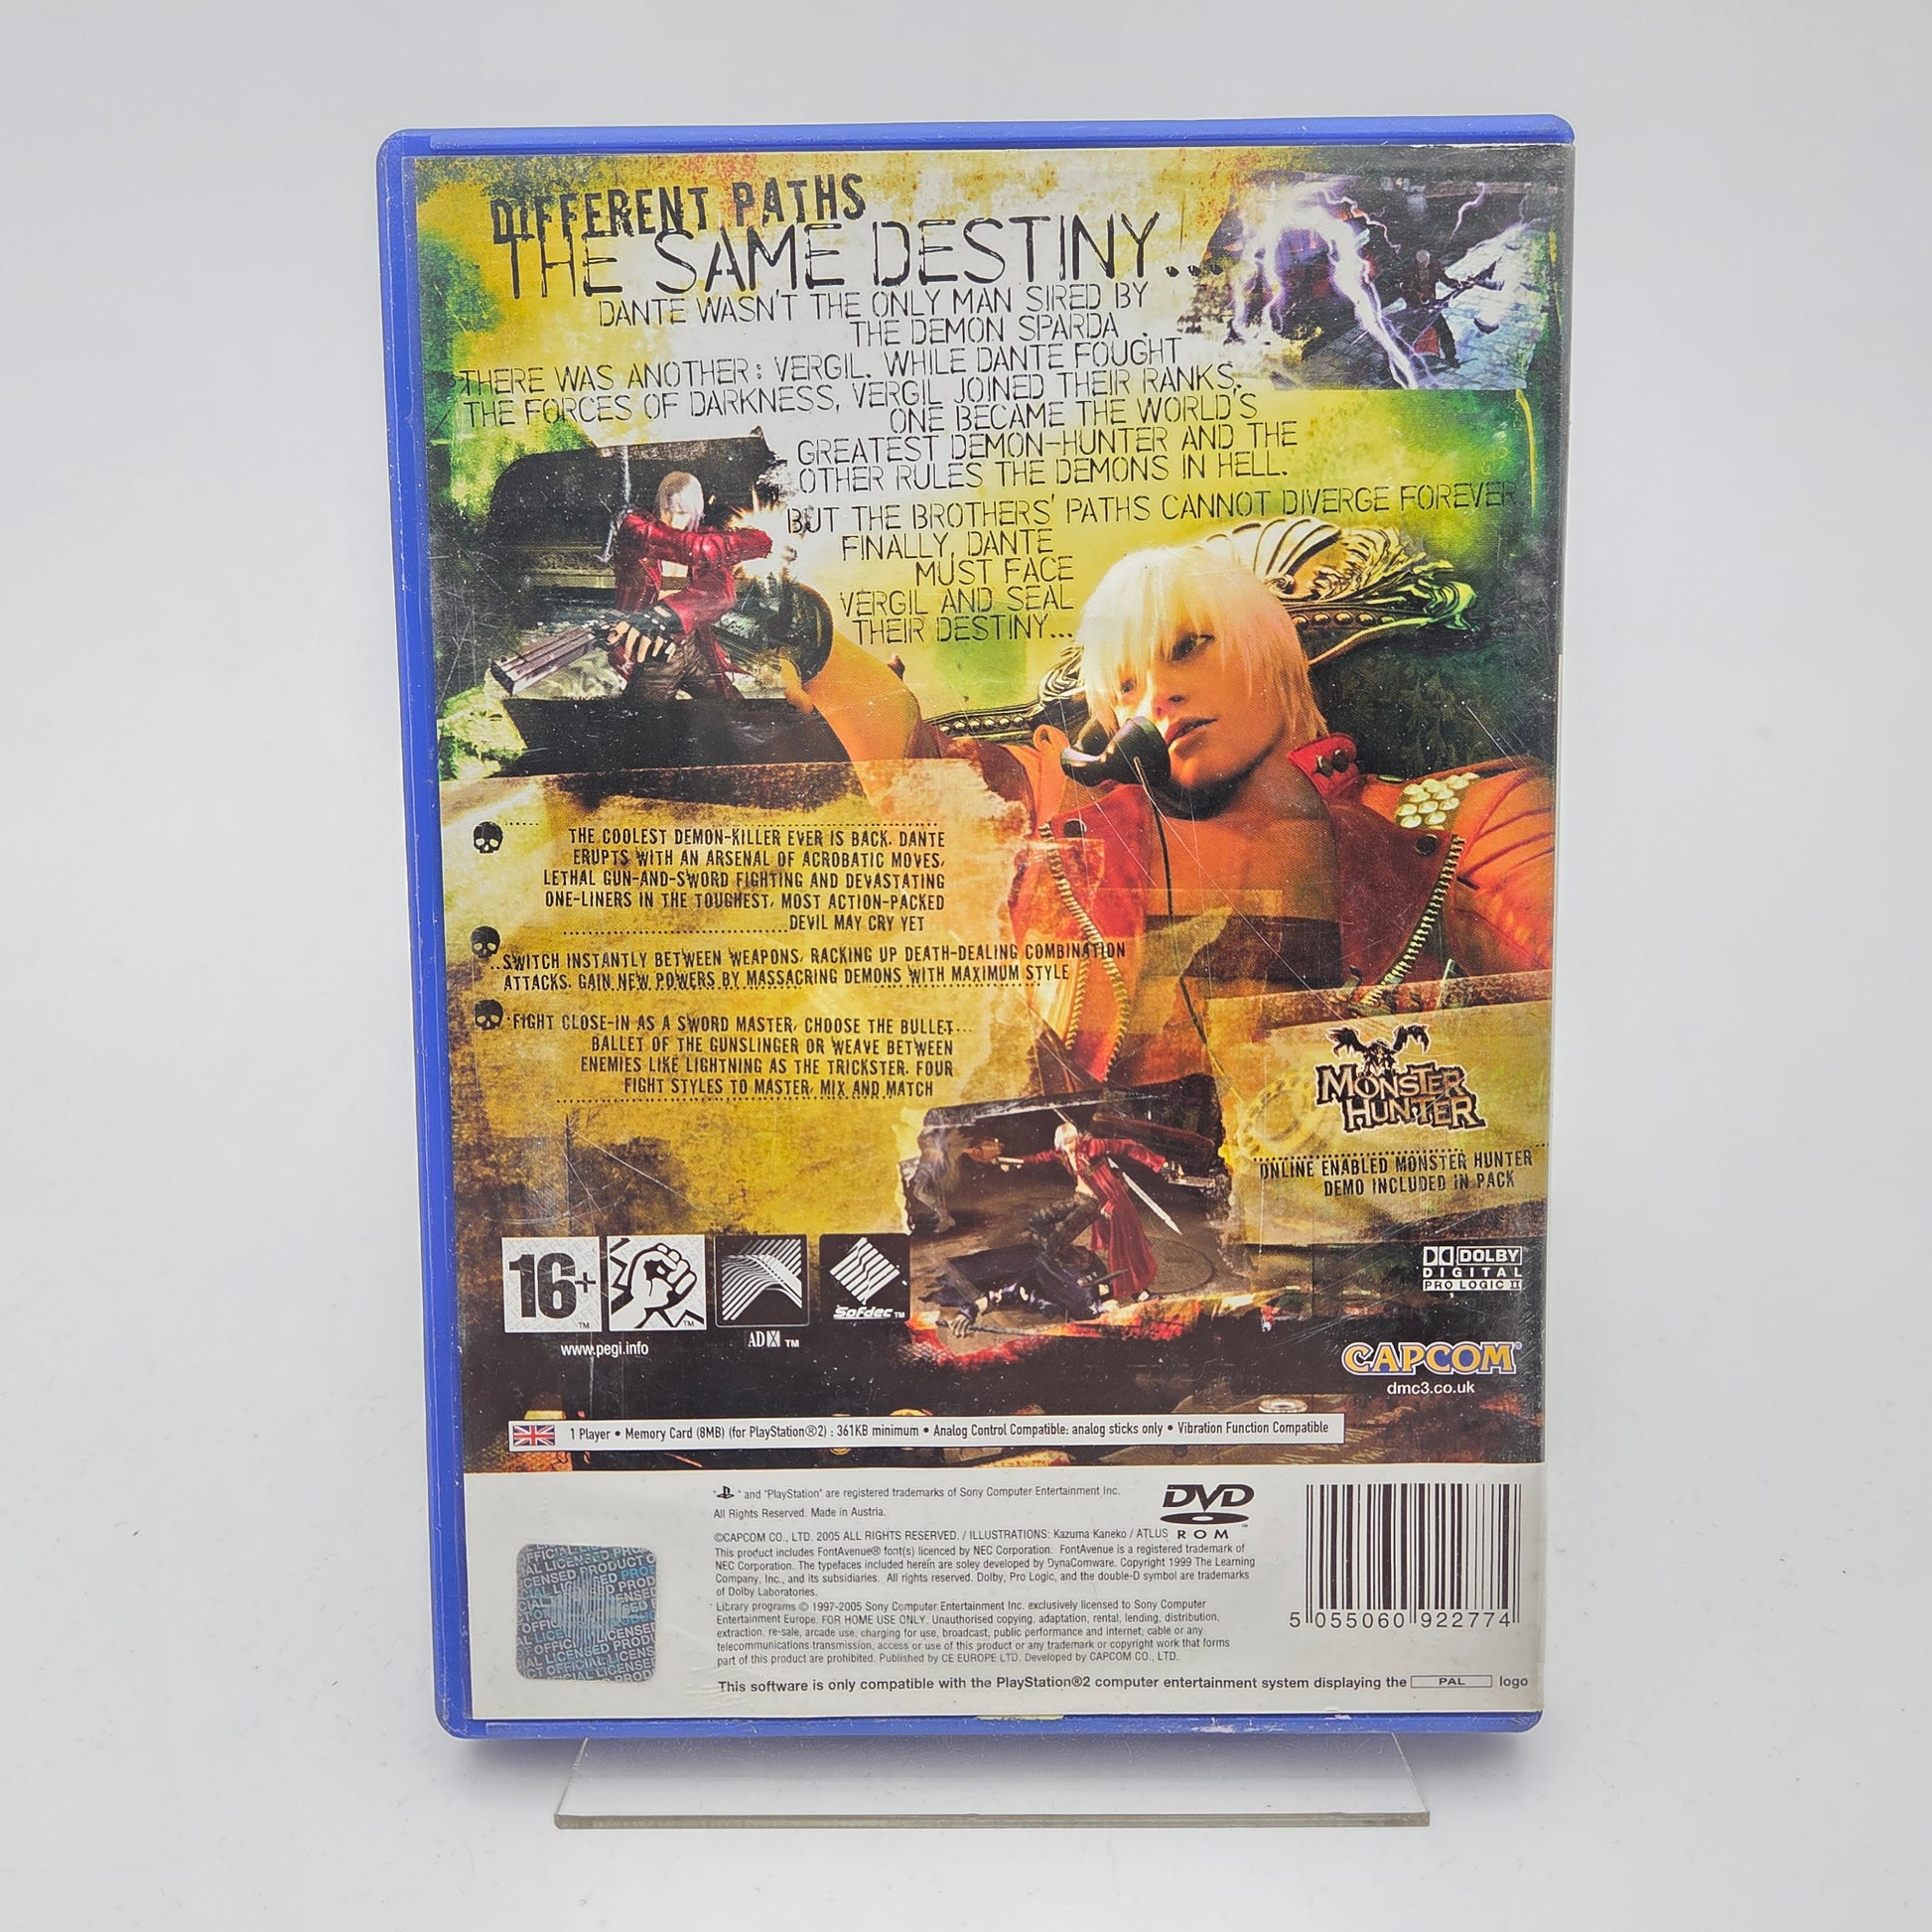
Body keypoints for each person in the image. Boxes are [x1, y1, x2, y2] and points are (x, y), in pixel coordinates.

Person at [766, 537, 1554, 1089]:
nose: (1158, 696)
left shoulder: (1466, 813)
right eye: (1126, 687)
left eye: (1187, 648)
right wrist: (809, 641)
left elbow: (1564, 1007)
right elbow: (925, 766)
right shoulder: (1076, 829)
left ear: (1270, 652)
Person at [605, 472, 774, 700]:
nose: (673, 521)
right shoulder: (636, 528)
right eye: (667, 510)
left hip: (692, 648)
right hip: (655, 653)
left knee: (733, 707)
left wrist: (668, 614)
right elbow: (692, 548)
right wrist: (758, 542)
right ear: (658, 505)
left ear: (695, 512)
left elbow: (722, 592)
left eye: (682, 513)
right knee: (644, 719)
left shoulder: (704, 538)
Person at [1000, 1123, 1173, 1305]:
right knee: (1038, 1221)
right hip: (1080, 1198)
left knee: (1120, 1248)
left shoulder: (1091, 1146)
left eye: (1071, 1141)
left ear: (1077, 1138)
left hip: (1100, 1202)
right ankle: (1081, 1266)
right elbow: (1039, 1157)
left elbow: (1127, 1145)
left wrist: (1159, 1163)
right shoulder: (1062, 1152)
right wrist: (1014, 1162)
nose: (1068, 1146)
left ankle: (1137, 1292)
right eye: (1064, 1143)